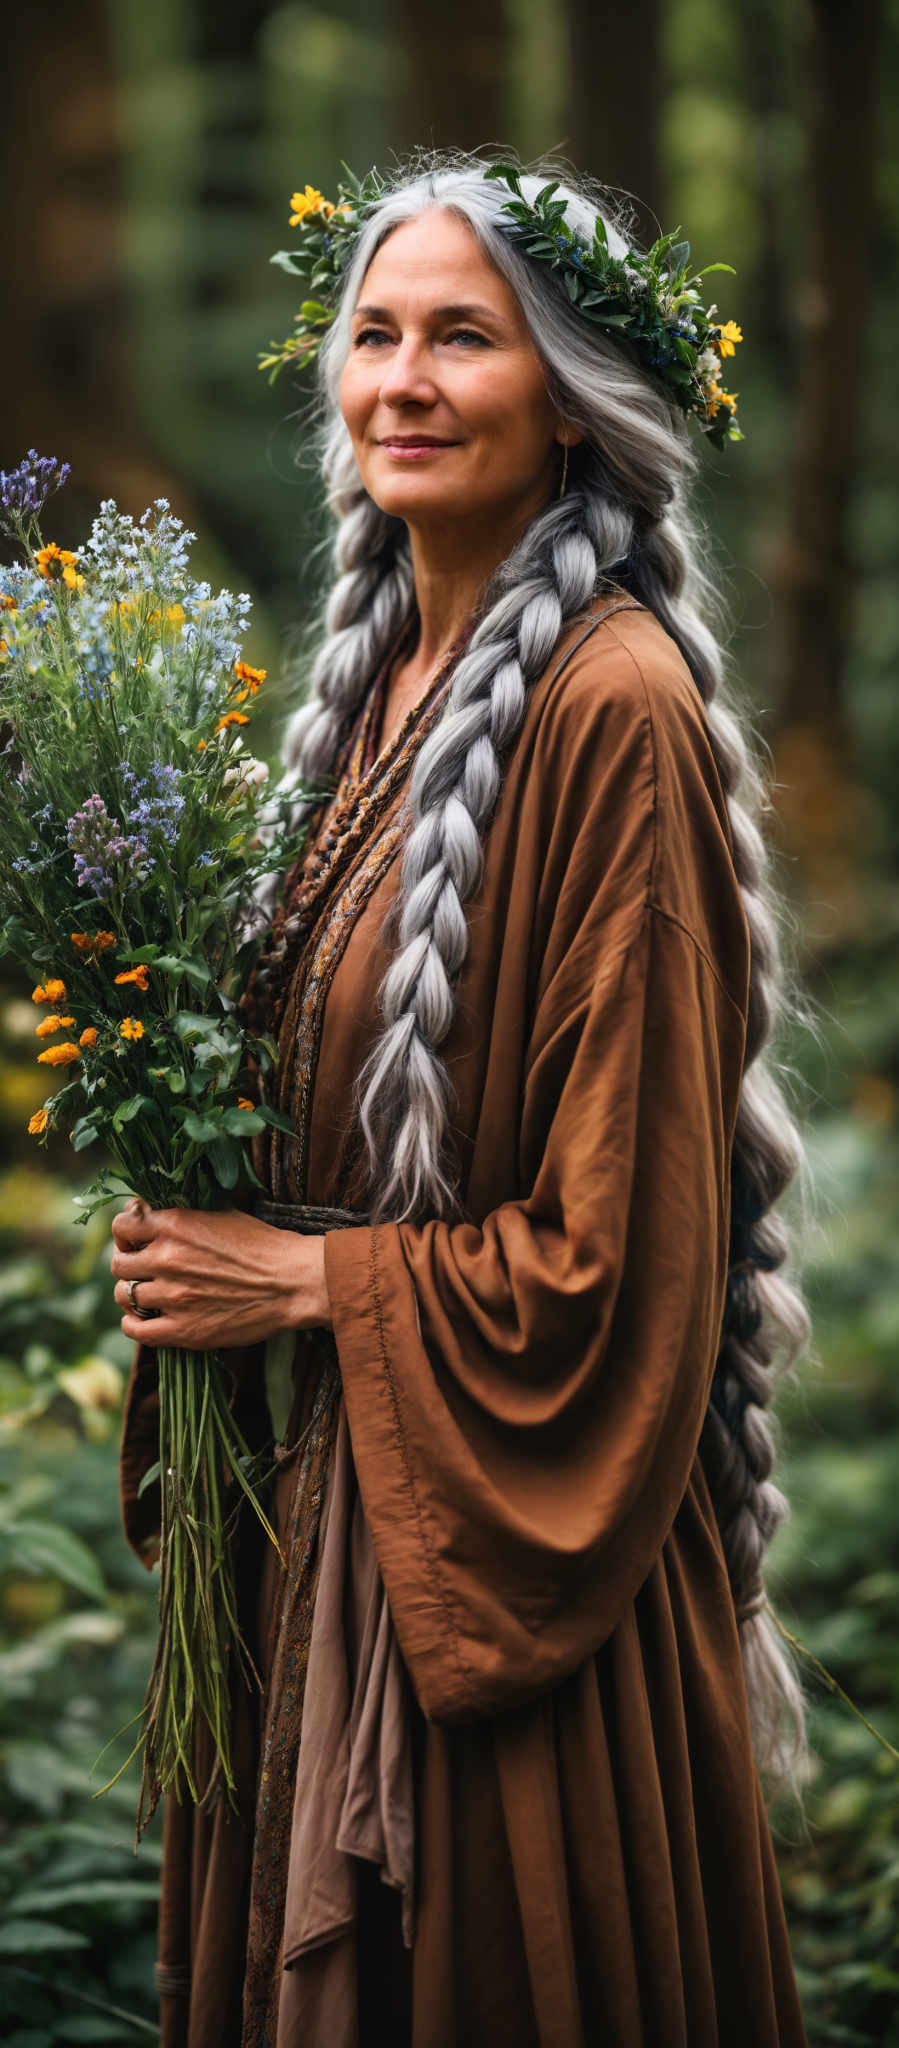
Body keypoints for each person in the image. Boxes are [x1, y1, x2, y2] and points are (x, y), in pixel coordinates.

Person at [111, 153, 811, 2046]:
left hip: (495, 1627)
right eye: (375, 334)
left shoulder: (613, 709)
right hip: (310, 1563)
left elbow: (627, 1253)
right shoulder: (368, 703)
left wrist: (309, 1288)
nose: (402, 379)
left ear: (573, 406)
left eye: (465, 339)